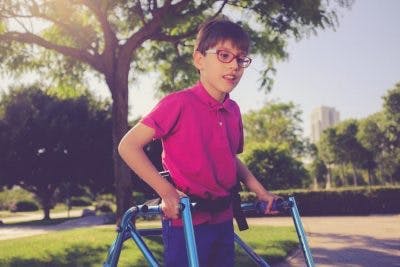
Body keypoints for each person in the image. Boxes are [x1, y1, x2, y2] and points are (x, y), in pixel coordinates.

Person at [118, 17, 279, 267]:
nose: (234, 65)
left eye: (241, 58)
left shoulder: (233, 110)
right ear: (199, 59)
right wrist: (167, 192)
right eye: (224, 55)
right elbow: (128, 146)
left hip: (223, 217)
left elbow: (231, 158)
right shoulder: (178, 103)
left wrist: (260, 191)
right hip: (187, 221)